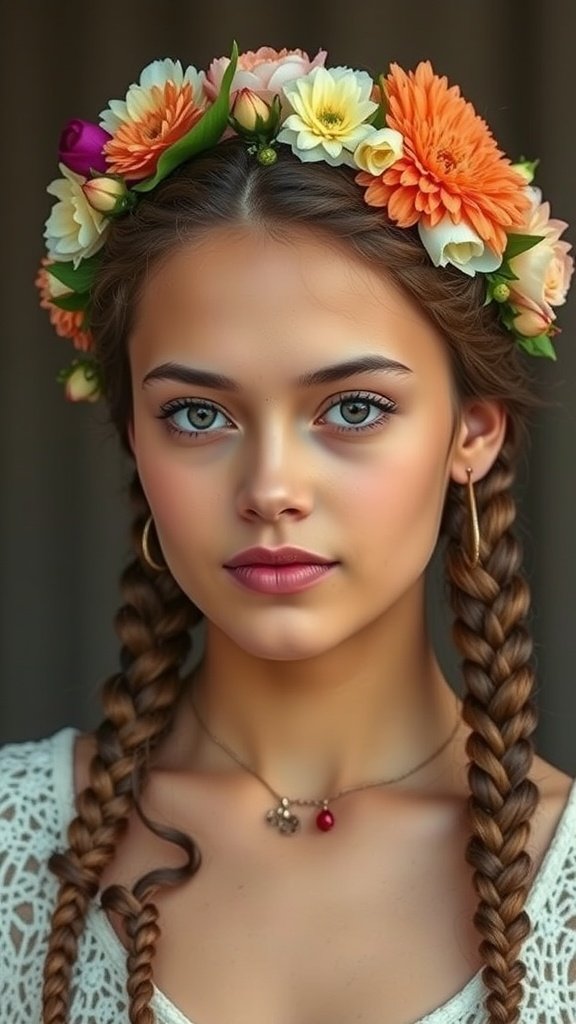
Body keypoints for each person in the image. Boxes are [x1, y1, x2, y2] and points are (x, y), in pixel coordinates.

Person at [1, 44, 574, 1024]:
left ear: (472, 430)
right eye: (197, 414)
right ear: (134, 436)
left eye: (351, 408)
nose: (270, 489)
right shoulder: (16, 843)